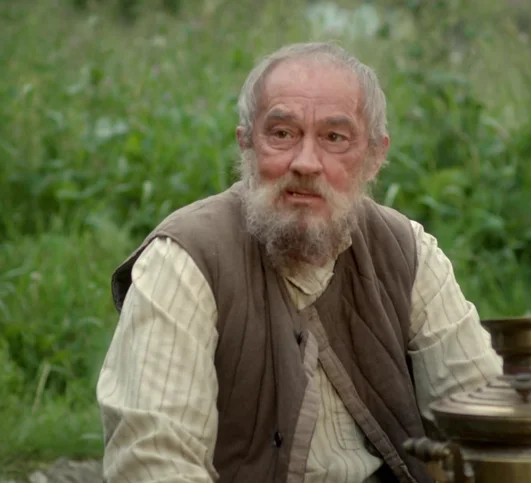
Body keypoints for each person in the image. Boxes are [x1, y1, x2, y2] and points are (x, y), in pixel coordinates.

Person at [96, 41, 503, 483]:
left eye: (334, 138)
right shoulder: (185, 258)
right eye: (282, 134)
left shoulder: (408, 251)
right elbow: (152, 459)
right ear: (247, 145)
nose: (306, 163)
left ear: (374, 157)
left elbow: (486, 422)